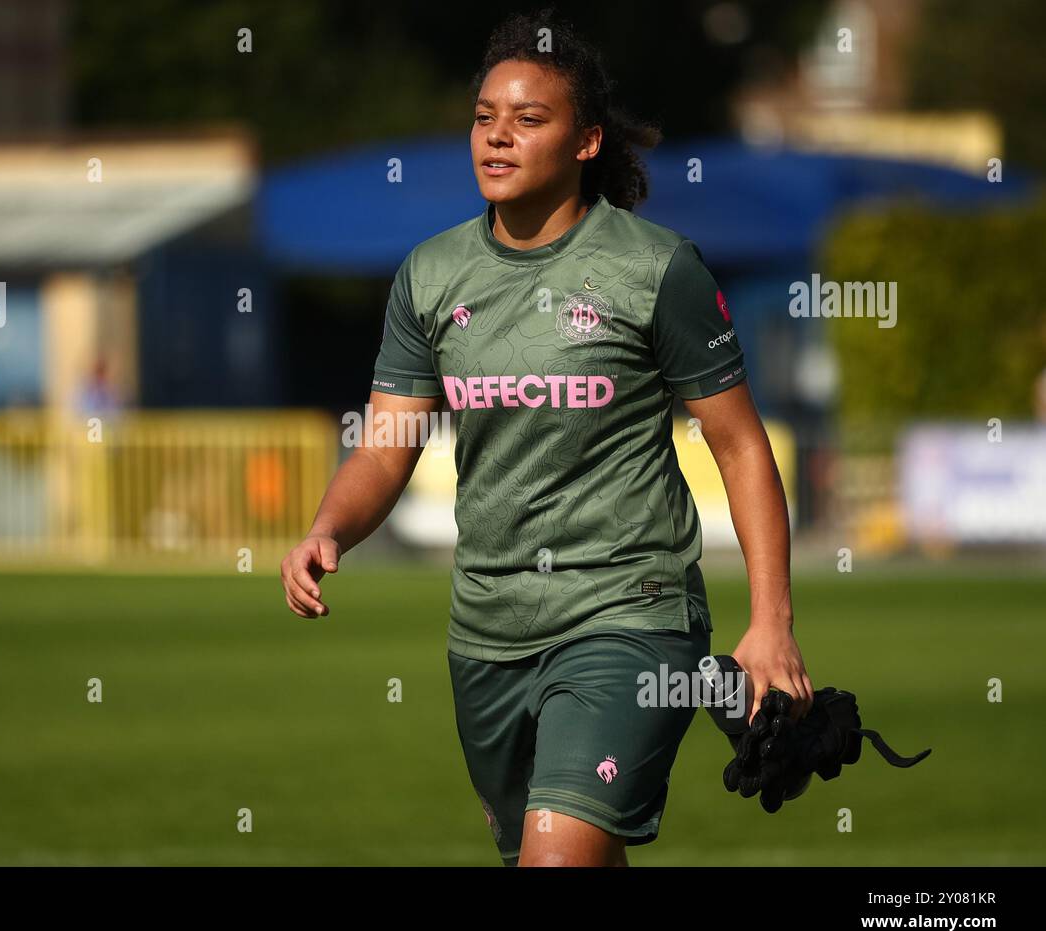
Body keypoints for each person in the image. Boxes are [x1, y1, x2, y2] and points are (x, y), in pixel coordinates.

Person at [280, 9, 813, 867]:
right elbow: (384, 447)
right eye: (485, 117)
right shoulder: (430, 274)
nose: (498, 137)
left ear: (587, 141)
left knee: (557, 860)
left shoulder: (657, 269)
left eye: (529, 120)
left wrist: (771, 624)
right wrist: (327, 528)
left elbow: (742, 446)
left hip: (628, 618)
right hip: (485, 633)